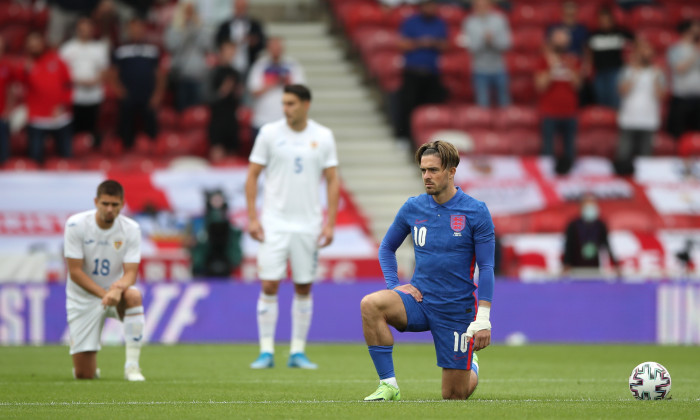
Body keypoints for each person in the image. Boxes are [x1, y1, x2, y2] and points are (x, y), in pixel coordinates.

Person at [360, 140, 495, 401]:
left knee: (454, 396)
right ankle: (388, 385)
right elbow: (386, 248)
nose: (426, 176)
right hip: (419, 301)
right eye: (423, 170)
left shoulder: (476, 211)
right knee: (371, 304)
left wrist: (483, 318)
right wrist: (394, 286)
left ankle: (471, 364)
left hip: (456, 310)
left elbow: (486, 266)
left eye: (433, 170)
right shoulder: (413, 207)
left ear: (451, 171)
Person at [245, 84, 339, 370]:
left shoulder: (323, 136)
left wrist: (330, 222)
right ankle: (266, 351)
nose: (286, 109)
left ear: (306, 105)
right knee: (270, 283)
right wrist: (253, 217)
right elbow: (252, 176)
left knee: (303, 285)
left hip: (308, 224)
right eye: (284, 103)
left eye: (291, 104)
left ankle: (297, 351)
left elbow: (333, 179)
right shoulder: (269, 133)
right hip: (274, 223)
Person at [63, 180, 146, 381]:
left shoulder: (131, 229)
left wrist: (117, 289)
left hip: (115, 294)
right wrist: (105, 294)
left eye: (115, 205)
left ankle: (132, 367)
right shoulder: (76, 225)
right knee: (84, 375)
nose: (109, 209)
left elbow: (131, 273)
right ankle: (87, 366)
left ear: (122, 205)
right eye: (105, 203)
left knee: (134, 295)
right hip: (83, 298)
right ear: (96, 202)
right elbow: (75, 272)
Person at [110, 17, 166, 150]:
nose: (137, 31)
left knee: (151, 131)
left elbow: (160, 74)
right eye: (133, 28)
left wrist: (157, 94)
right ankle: (126, 155)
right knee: (126, 131)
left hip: (148, 95)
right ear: (128, 31)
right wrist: (120, 91)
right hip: (128, 96)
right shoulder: (120, 50)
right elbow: (112, 74)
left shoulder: (153, 50)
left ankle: (153, 155)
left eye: (139, 28)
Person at [395, 0, 447, 140]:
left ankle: (428, 140)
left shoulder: (440, 23)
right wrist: (421, 42)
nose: (431, 8)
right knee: (408, 106)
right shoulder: (411, 22)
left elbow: (445, 45)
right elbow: (402, 44)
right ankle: (404, 137)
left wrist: (433, 42)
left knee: (430, 109)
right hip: (413, 71)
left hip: (432, 73)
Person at [18, 32, 73, 164]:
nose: (34, 46)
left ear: (43, 43)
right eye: (31, 44)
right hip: (37, 118)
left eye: (36, 43)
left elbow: (68, 85)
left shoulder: (57, 60)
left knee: (66, 157)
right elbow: (20, 87)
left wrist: (63, 105)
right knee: (35, 158)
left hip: (60, 117)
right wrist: (25, 71)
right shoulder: (24, 65)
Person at [615, 37, 665, 175]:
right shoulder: (627, 71)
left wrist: (656, 79)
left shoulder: (657, 72)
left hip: (649, 120)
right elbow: (622, 91)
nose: (645, 53)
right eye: (642, 50)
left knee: (645, 161)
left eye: (648, 50)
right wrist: (634, 72)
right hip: (628, 119)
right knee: (623, 157)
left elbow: (661, 95)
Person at [60, 17, 109, 150]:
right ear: (77, 30)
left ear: (92, 30)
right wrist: (78, 81)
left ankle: (96, 158)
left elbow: (105, 70)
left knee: (94, 131)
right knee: (74, 131)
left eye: (88, 29)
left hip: (94, 96)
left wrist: (95, 80)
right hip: (75, 96)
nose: (85, 32)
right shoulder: (67, 48)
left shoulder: (99, 48)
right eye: (82, 30)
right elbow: (61, 73)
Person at [536, 28, 581, 173]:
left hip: (570, 111)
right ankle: (546, 180)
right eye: (558, 40)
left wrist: (571, 68)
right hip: (549, 112)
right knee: (548, 151)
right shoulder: (543, 60)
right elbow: (540, 86)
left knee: (570, 150)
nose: (561, 43)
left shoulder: (573, 60)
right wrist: (553, 67)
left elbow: (578, 85)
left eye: (564, 40)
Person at [247, 37, 305, 136]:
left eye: (278, 47)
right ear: (268, 49)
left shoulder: (292, 65)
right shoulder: (259, 66)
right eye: (273, 47)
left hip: (286, 121)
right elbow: (253, 91)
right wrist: (274, 82)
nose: (276, 50)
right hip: (262, 121)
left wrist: (287, 82)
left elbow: (302, 92)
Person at [464, 0, 511, 108]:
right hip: (479, 70)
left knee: (504, 105)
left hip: (499, 68)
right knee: (483, 106)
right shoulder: (469, 22)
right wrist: (484, 40)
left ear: (490, 5)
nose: (482, 7)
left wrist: (492, 41)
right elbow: (470, 48)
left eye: (484, 5)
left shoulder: (500, 20)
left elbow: (506, 45)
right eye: (478, 5)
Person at [165, 1, 210, 111]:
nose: (189, 14)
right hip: (181, 77)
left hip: (198, 77)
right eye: (187, 11)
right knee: (181, 111)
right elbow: (172, 46)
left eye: (192, 11)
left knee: (196, 111)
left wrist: (197, 27)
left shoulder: (201, 27)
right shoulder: (174, 28)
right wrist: (184, 30)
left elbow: (207, 45)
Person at [562, 193, 618, 277]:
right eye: (587, 205)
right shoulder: (573, 225)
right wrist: (566, 264)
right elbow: (568, 246)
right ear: (581, 207)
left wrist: (615, 264)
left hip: (594, 269)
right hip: (576, 269)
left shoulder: (600, 225)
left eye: (592, 204)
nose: (590, 207)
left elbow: (606, 245)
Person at [585, 7, 631, 109]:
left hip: (616, 72)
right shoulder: (593, 35)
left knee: (614, 100)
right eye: (602, 20)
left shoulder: (620, 33)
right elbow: (588, 52)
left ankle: (614, 121)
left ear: (612, 20)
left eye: (607, 19)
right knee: (600, 100)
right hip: (599, 72)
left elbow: (637, 43)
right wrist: (587, 65)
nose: (605, 22)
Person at [208, 40, 242, 160]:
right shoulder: (213, 73)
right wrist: (223, 91)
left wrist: (238, 93)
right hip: (217, 120)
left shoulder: (236, 73)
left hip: (232, 120)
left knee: (232, 159)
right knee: (217, 157)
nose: (230, 54)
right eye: (228, 51)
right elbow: (206, 97)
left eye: (232, 52)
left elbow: (239, 99)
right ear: (221, 53)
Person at [667, 19, 700, 139]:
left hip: (698, 98)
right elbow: (679, 69)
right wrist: (695, 53)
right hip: (681, 99)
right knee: (678, 135)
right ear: (687, 31)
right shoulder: (675, 49)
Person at [215, 0, 267, 76]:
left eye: (242, 7)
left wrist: (253, 43)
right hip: (229, 68)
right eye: (238, 7)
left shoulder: (255, 25)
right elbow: (218, 43)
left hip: (249, 65)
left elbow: (262, 43)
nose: (240, 10)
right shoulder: (224, 26)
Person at [0, 36, 15, 165]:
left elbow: (11, 90)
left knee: (3, 151)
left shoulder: (7, 65)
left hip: (2, 115)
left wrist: (9, 109)